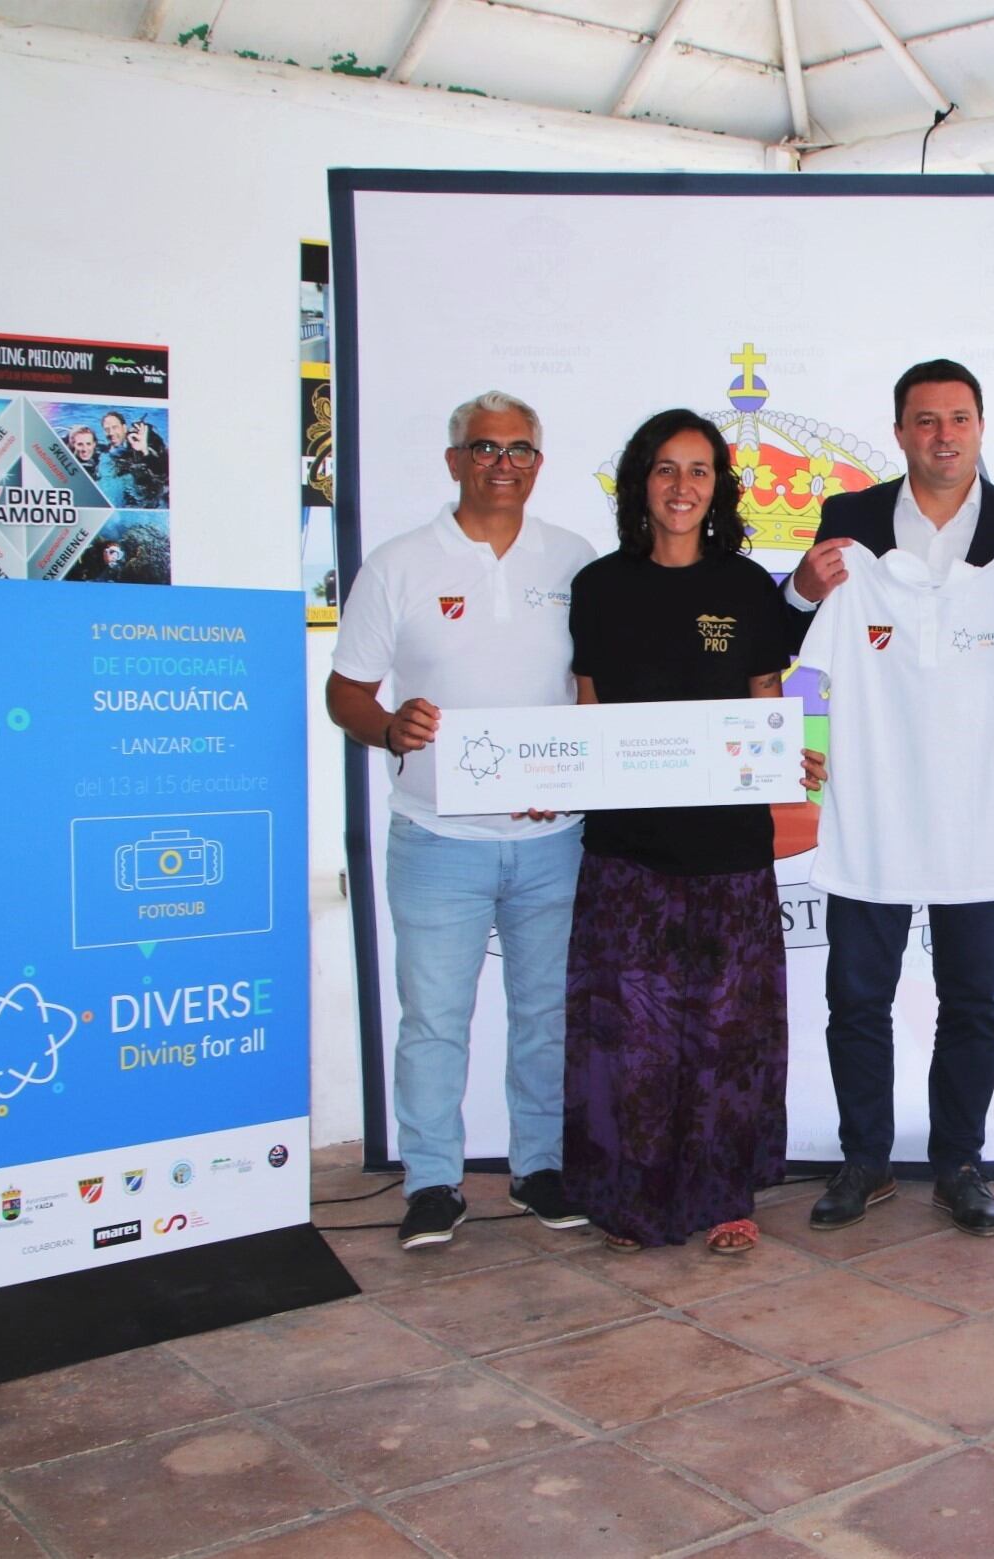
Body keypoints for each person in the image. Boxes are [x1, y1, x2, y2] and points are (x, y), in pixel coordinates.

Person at [784, 358, 994, 1238]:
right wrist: (806, 745)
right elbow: (804, 648)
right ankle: (864, 1160)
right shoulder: (847, 523)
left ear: (981, 427)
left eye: (958, 419)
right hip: (870, 807)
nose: (942, 436)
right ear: (899, 432)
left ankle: (959, 1160)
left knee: (971, 1000)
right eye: (925, 420)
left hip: (978, 815)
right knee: (856, 996)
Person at [325, 391, 595, 1250]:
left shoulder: (575, 558)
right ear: (454, 461)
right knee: (434, 1016)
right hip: (438, 838)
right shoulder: (401, 563)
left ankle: (539, 1166)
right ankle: (434, 1181)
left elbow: (594, 691)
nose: (501, 463)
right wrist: (386, 727)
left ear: (538, 464)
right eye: (484, 448)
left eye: (519, 448)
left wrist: (583, 766)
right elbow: (347, 690)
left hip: (554, 841)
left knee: (545, 1014)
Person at [561, 409, 791, 1255]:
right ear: (640, 483)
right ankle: (627, 1196)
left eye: (698, 470)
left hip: (729, 849)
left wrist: (783, 760)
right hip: (627, 851)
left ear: (719, 489)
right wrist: (562, 776)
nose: (681, 486)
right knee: (631, 1035)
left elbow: (765, 700)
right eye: (665, 469)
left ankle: (725, 1195)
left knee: (727, 1031)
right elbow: (586, 708)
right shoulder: (598, 587)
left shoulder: (746, 588)